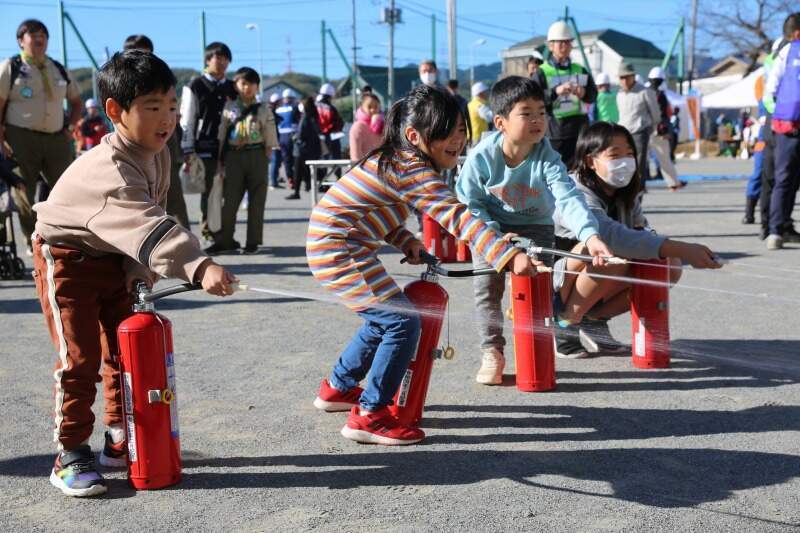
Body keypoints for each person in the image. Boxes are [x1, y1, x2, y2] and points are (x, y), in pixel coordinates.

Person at [31, 50, 238, 498]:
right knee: (80, 358)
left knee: (123, 353)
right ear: (114, 112)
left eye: (168, 106)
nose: (166, 119)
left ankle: (117, 436)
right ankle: (69, 453)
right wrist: (199, 265)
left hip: (110, 258)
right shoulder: (111, 169)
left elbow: (149, 219)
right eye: (151, 107)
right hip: (66, 259)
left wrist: (138, 268)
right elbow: (145, 223)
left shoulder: (155, 152)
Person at [308, 84, 541, 445]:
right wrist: (507, 256)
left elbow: (373, 212)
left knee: (383, 318)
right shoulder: (410, 168)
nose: (458, 140)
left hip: (341, 244)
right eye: (447, 134)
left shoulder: (396, 161)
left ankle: (337, 388)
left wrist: (405, 240)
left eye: (462, 130)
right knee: (402, 322)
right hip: (338, 249)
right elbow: (456, 216)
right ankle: (370, 415)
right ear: (415, 136)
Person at [455, 75, 613, 381]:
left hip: (536, 226)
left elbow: (567, 197)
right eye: (526, 113)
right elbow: (469, 206)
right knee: (487, 291)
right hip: (490, 227)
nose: (537, 120)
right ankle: (492, 352)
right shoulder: (481, 158)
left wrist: (590, 235)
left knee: (538, 289)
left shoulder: (548, 157)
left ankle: (538, 349)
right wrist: (497, 238)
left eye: (542, 112)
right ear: (500, 122)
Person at [552, 122, 721, 357]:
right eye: (614, 155)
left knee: (668, 266)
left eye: (629, 153)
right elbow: (611, 235)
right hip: (554, 278)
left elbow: (641, 233)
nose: (625, 161)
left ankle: (594, 319)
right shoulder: (573, 191)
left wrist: (670, 250)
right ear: (591, 161)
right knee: (609, 251)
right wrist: (684, 248)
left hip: (595, 271)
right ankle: (565, 322)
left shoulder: (625, 194)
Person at [0, 19, 82, 254]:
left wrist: (70, 126)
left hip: (57, 137)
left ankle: (66, 238)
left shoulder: (58, 68)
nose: (39, 39)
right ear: (20, 40)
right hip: (20, 136)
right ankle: (31, 239)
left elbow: (76, 101)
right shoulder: (10, 66)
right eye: (33, 34)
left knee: (66, 188)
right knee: (24, 189)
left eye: (43, 35)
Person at [122, 34, 189, 229]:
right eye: (136, 55)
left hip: (163, 145)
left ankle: (186, 244)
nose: (143, 61)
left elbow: (173, 111)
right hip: (132, 147)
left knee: (173, 197)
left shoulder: (163, 78)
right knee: (136, 197)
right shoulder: (120, 80)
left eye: (146, 55)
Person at [209, 66, 278, 255]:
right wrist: (220, 159)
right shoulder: (229, 107)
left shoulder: (264, 108)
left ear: (257, 87)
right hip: (233, 156)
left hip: (257, 154)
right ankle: (224, 240)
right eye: (243, 83)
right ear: (236, 85)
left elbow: (270, 132)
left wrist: (268, 153)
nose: (247, 88)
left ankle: (253, 242)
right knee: (230, 200)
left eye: (252, 84)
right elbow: (222, 132)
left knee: (257, 200)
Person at [179, 42, 237, 241]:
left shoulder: (232, 87)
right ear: (207, 60)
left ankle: (226, 233)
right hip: (204, 146)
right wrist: (187, 147)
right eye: (217, 58)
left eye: (225, 59)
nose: (221, 63)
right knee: (210, 192)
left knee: (230, 193)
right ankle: (209, 232)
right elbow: (188, 117)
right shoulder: (196, 85)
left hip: (230, 148)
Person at [539, 20, 597, 167]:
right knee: (557, 173)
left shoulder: (580, 69)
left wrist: (583, 92)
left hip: (580, 130)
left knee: (581, 173)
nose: (565, 46)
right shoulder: (542, 72)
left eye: (568, 42)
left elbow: (593, 95)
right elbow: (534, 99)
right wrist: (555, 91)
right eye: (560, 43)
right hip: (556, 133)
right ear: (551, 45)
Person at [765, 12, 800, 251]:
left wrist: (777, 117)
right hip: (789, 125)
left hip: (787, 125)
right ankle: (778, 228)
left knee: (784, 179)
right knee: (787, 179)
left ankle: (776, 231)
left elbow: (770, 91)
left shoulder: (784, 53)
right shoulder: (788, 51)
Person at [616, 62, 659, 184]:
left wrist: (653, 129)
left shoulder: (645, 91)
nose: (624, 81)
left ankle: (638, 192)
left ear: (633, 76)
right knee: (623, 164)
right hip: (623, 133)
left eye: (626, 77)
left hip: (640, 132)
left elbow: (655, 113)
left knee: (638, 164)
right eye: (621, 78)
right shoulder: (619, 94)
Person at [647, 67, 686, 190]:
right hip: (659, 131)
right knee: (664, 159)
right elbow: (664, 115)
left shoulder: (645, 92)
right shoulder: (661, 95)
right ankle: (673, 183)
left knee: (641, 159)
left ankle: (638, 185)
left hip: (644, 130)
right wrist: (667, 131)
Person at [286, 96, 321, 200]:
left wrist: (294, 137)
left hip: (301, 149)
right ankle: (308, 187)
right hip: (312, 148)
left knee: (298, 171)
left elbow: (301, 134)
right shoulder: (314, 116)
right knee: (307, 170)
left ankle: (296, 192)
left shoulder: (304, 117)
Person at [316, 82, 344, 186]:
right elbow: (339, 123)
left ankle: (321, 182)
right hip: (332, 137)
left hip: (319, 137)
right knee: (336, 159)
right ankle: (338, 179)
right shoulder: (331, 108)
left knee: (322, 160)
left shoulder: (315, 106)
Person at [275, 88, 300, 189]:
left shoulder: (278, 109)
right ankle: (296, 178)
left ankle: (290, 179)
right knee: (295, 158)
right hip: (292, 136)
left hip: (281, 137)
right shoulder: (294, 108)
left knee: (286, 160)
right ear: (292, 98)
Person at [349, 92, 383, 160]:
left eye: (376, 107)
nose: (373, 110)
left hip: (381, 167)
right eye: (369, 107)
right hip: (364, 168)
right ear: (362, 108)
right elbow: (355, 156)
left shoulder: (382, 124)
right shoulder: (357, 127)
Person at [467, 81, 493, 146]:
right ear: (480, 93)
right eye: (486, 92)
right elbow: (490, 117)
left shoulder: (470, 105)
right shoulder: (479, 105)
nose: (488, 94)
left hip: (471, 137)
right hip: (478, 138)